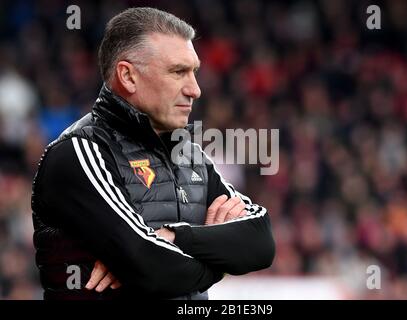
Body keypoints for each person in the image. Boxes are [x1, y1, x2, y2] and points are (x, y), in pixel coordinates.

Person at [31, 7, 275, 300]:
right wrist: (222, 261)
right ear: (128, 76)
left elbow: (261, 242)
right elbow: (150, 267)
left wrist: (174, 237)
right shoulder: (79, 153)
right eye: (178, 72)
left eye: (194, 71)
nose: (195, 89)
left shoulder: (190, 156)